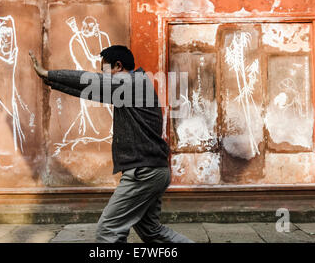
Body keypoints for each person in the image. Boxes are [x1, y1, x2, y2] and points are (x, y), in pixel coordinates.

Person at [29, 45, 193, 243]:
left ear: (118, 66)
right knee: (152, 231)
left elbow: (91, 82)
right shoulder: (131, 87)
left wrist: (48, 72)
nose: (102, 75)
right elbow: (91, 91)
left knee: (109, 230)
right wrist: (50, 80)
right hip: (153, 170)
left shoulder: (133, 83)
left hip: (143, 173)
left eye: (105, 70)